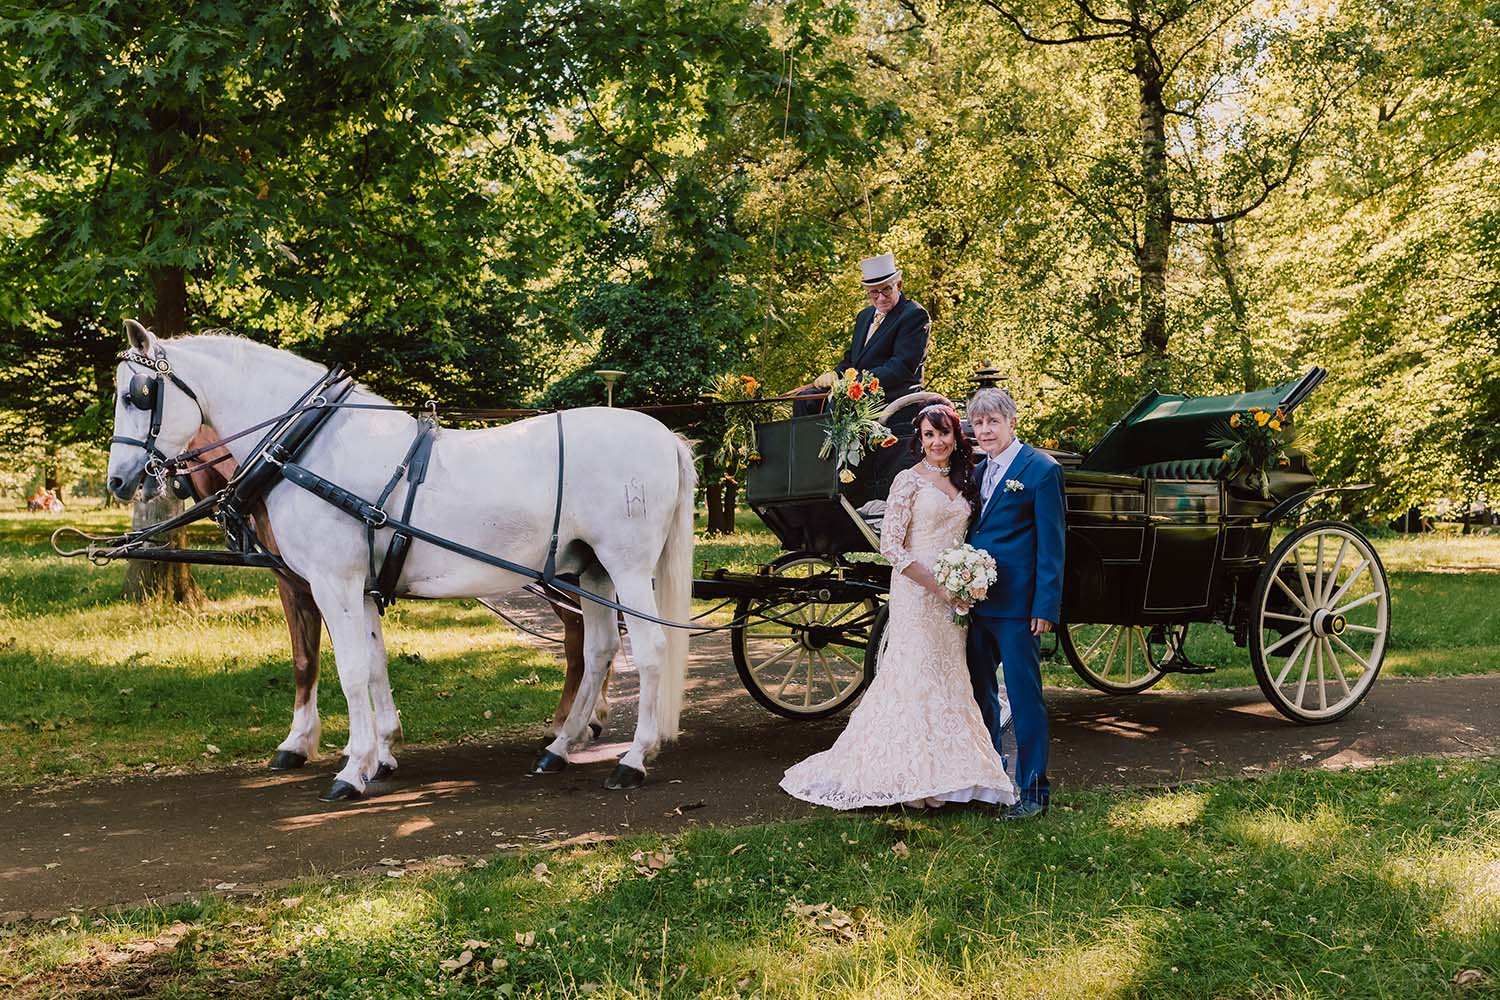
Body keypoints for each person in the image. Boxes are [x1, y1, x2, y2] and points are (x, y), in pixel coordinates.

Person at [781, 403, 1016, 810]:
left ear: (955, 437)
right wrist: (939, 588)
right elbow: (891, 546)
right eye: (929, 434)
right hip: (916, 592)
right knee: (914, 673)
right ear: (919, 440)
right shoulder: (908, 482)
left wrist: (966, 580)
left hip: (955, 596)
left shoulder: (966, 481)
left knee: (948, 676)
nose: (937, 442)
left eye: (943, 433)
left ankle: (949, 774)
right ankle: (906, 773)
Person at [965, 387, 1065, 820]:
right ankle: (993, 777)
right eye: (979, 423)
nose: (985, 431)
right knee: (981, 694)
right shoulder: (976, 471)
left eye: (993, 422)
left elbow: (1052, 545)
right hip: (976, 604)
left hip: (1020, 608)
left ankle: (1034, 790)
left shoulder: (1041, 470)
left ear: (1011, 422)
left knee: (1024, 699)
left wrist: (1045, 605)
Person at [794, 252, 931, 422]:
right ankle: (809, 448)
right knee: (805, 399)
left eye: (886, 289)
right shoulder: (864, 316)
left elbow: (900, 368)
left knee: (840, 402)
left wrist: (855, 382)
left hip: (891, 392)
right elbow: (852, 360)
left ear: (899, 285)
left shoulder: (914, 315)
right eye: (874, 292)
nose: (880, 297)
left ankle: (834, 449)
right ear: (867, 292)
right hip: (858, 388)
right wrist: (835, 374)